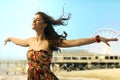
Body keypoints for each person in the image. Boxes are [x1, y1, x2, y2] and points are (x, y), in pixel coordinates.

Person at [4, 11, 118, 80]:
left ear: (44, 24)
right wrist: (9, 38)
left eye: (37, 20)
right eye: (33, 19)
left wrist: (97, 39)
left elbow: (76, 42)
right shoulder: (30, 41)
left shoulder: (51, 42)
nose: (33, 21)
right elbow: (17, 40)